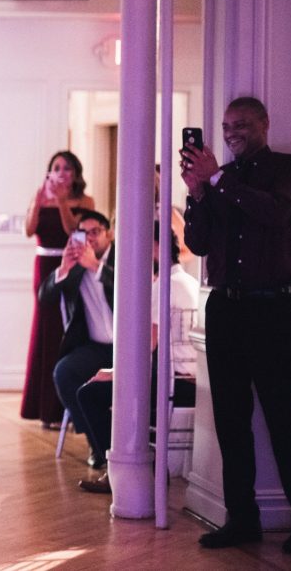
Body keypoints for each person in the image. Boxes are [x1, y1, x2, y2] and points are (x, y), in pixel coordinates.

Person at [181, 96, 291, 554]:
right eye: (225, 126)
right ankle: (242, 520)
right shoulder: (219, 180)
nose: (231, 132)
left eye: (240, 123)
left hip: (271, 310)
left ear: (264, 122)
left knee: (285, 417)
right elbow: (198, 244)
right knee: (230, 420)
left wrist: (217, 179)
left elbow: (274, 213)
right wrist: (198, 193)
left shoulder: (289, 168)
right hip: (225, 308)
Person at [75, 225, 198, 494]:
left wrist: (115, 373)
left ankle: (119, 470)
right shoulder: (190, 283)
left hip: (171, 385)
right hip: (192, 382)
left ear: (156, 247)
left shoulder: (162, 287)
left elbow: (148, 347)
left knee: (89, 394)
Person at [22, 151, 95, 427]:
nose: (61, 172)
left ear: (75, 174)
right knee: (43, 329)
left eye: (67, 168)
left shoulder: (84, 201)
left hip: (69, 264)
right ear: (49, 172)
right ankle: (40, 408)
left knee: (65, 328)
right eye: (56, 167)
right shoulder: (39, 195)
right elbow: (29, 231)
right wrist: (38, 204)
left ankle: (63, 408)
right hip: (42, 266)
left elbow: (72, 233)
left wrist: (63, 202)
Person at [39, 210, 114, 470]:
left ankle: (110, 447)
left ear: (109, 234)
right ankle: (98, 445)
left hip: (126, 348)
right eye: (84, 233)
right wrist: (63, 268)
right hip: (93, 347)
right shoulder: (75, 266)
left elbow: (131, 289)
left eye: (95, 232)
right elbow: (45, 298)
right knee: (64, 372)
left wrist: (96, 265)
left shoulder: (121, 260)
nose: (90, 238)